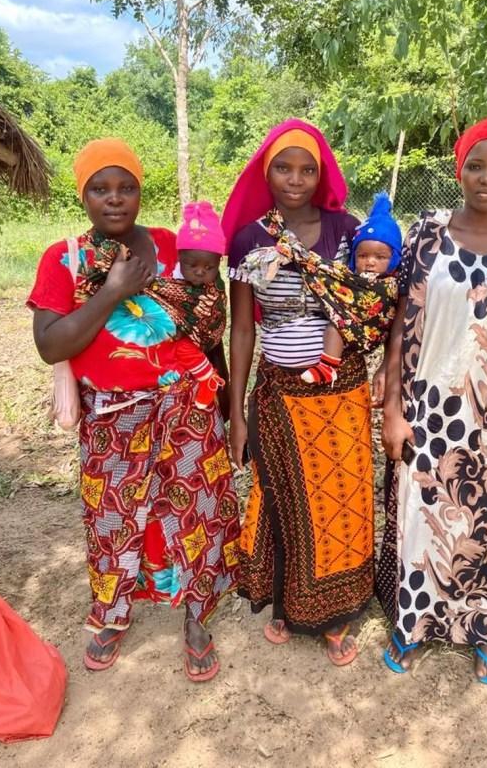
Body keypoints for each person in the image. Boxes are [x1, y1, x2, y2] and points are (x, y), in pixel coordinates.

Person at [28, 138, 240, 681]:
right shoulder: (67, 258)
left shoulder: (175, 247)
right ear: (83, 195)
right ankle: (113, 614)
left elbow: (206, 324)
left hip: (187, 409)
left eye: (126, 187)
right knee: (112, 517)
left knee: (196, 513)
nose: (114, 199)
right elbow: (52, 345)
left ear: (141, 191)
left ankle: (197, 618)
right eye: (100, 188)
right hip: (111, 417)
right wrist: (111, 292)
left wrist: (224, 407)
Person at [378, 118, 487, 684]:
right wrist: (391, 408)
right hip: (428, 408)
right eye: (476, 165)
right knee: (420, 518)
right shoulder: (426, 233)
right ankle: (413, 625)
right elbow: (401, 323)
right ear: (459, 169)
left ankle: (486, 632)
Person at [223, 119, 375, 666]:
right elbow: (243, 329)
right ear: (267, 172)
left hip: (340, 391)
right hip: (279, 392)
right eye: (284, 168)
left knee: (340, 500)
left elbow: (368, 301)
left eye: (307, 168)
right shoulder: (249, 239)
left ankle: (335, 617)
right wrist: (237, 411)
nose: (295, 178)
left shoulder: (346, 230)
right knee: (283, 497)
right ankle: (287, 603)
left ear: (321, 173)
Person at [301, 192, 402, 384]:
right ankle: (328, 367)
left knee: (337, 324)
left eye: (380, 257)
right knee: (335, 326)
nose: (370, 262)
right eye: (363, 256)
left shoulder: (393, 284)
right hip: (350, 326)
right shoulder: (351, 279)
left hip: (374, 330)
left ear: (395, 259)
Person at [173, 200, 227, 409]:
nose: (200, 272)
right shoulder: (171, 280)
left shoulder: (215, 288)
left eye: (209, 267)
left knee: (182, 348)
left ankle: (208, 378)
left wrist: (184, 327)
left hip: (198, 340)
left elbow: (216, 314)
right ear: (180, 257)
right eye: (192, 265)